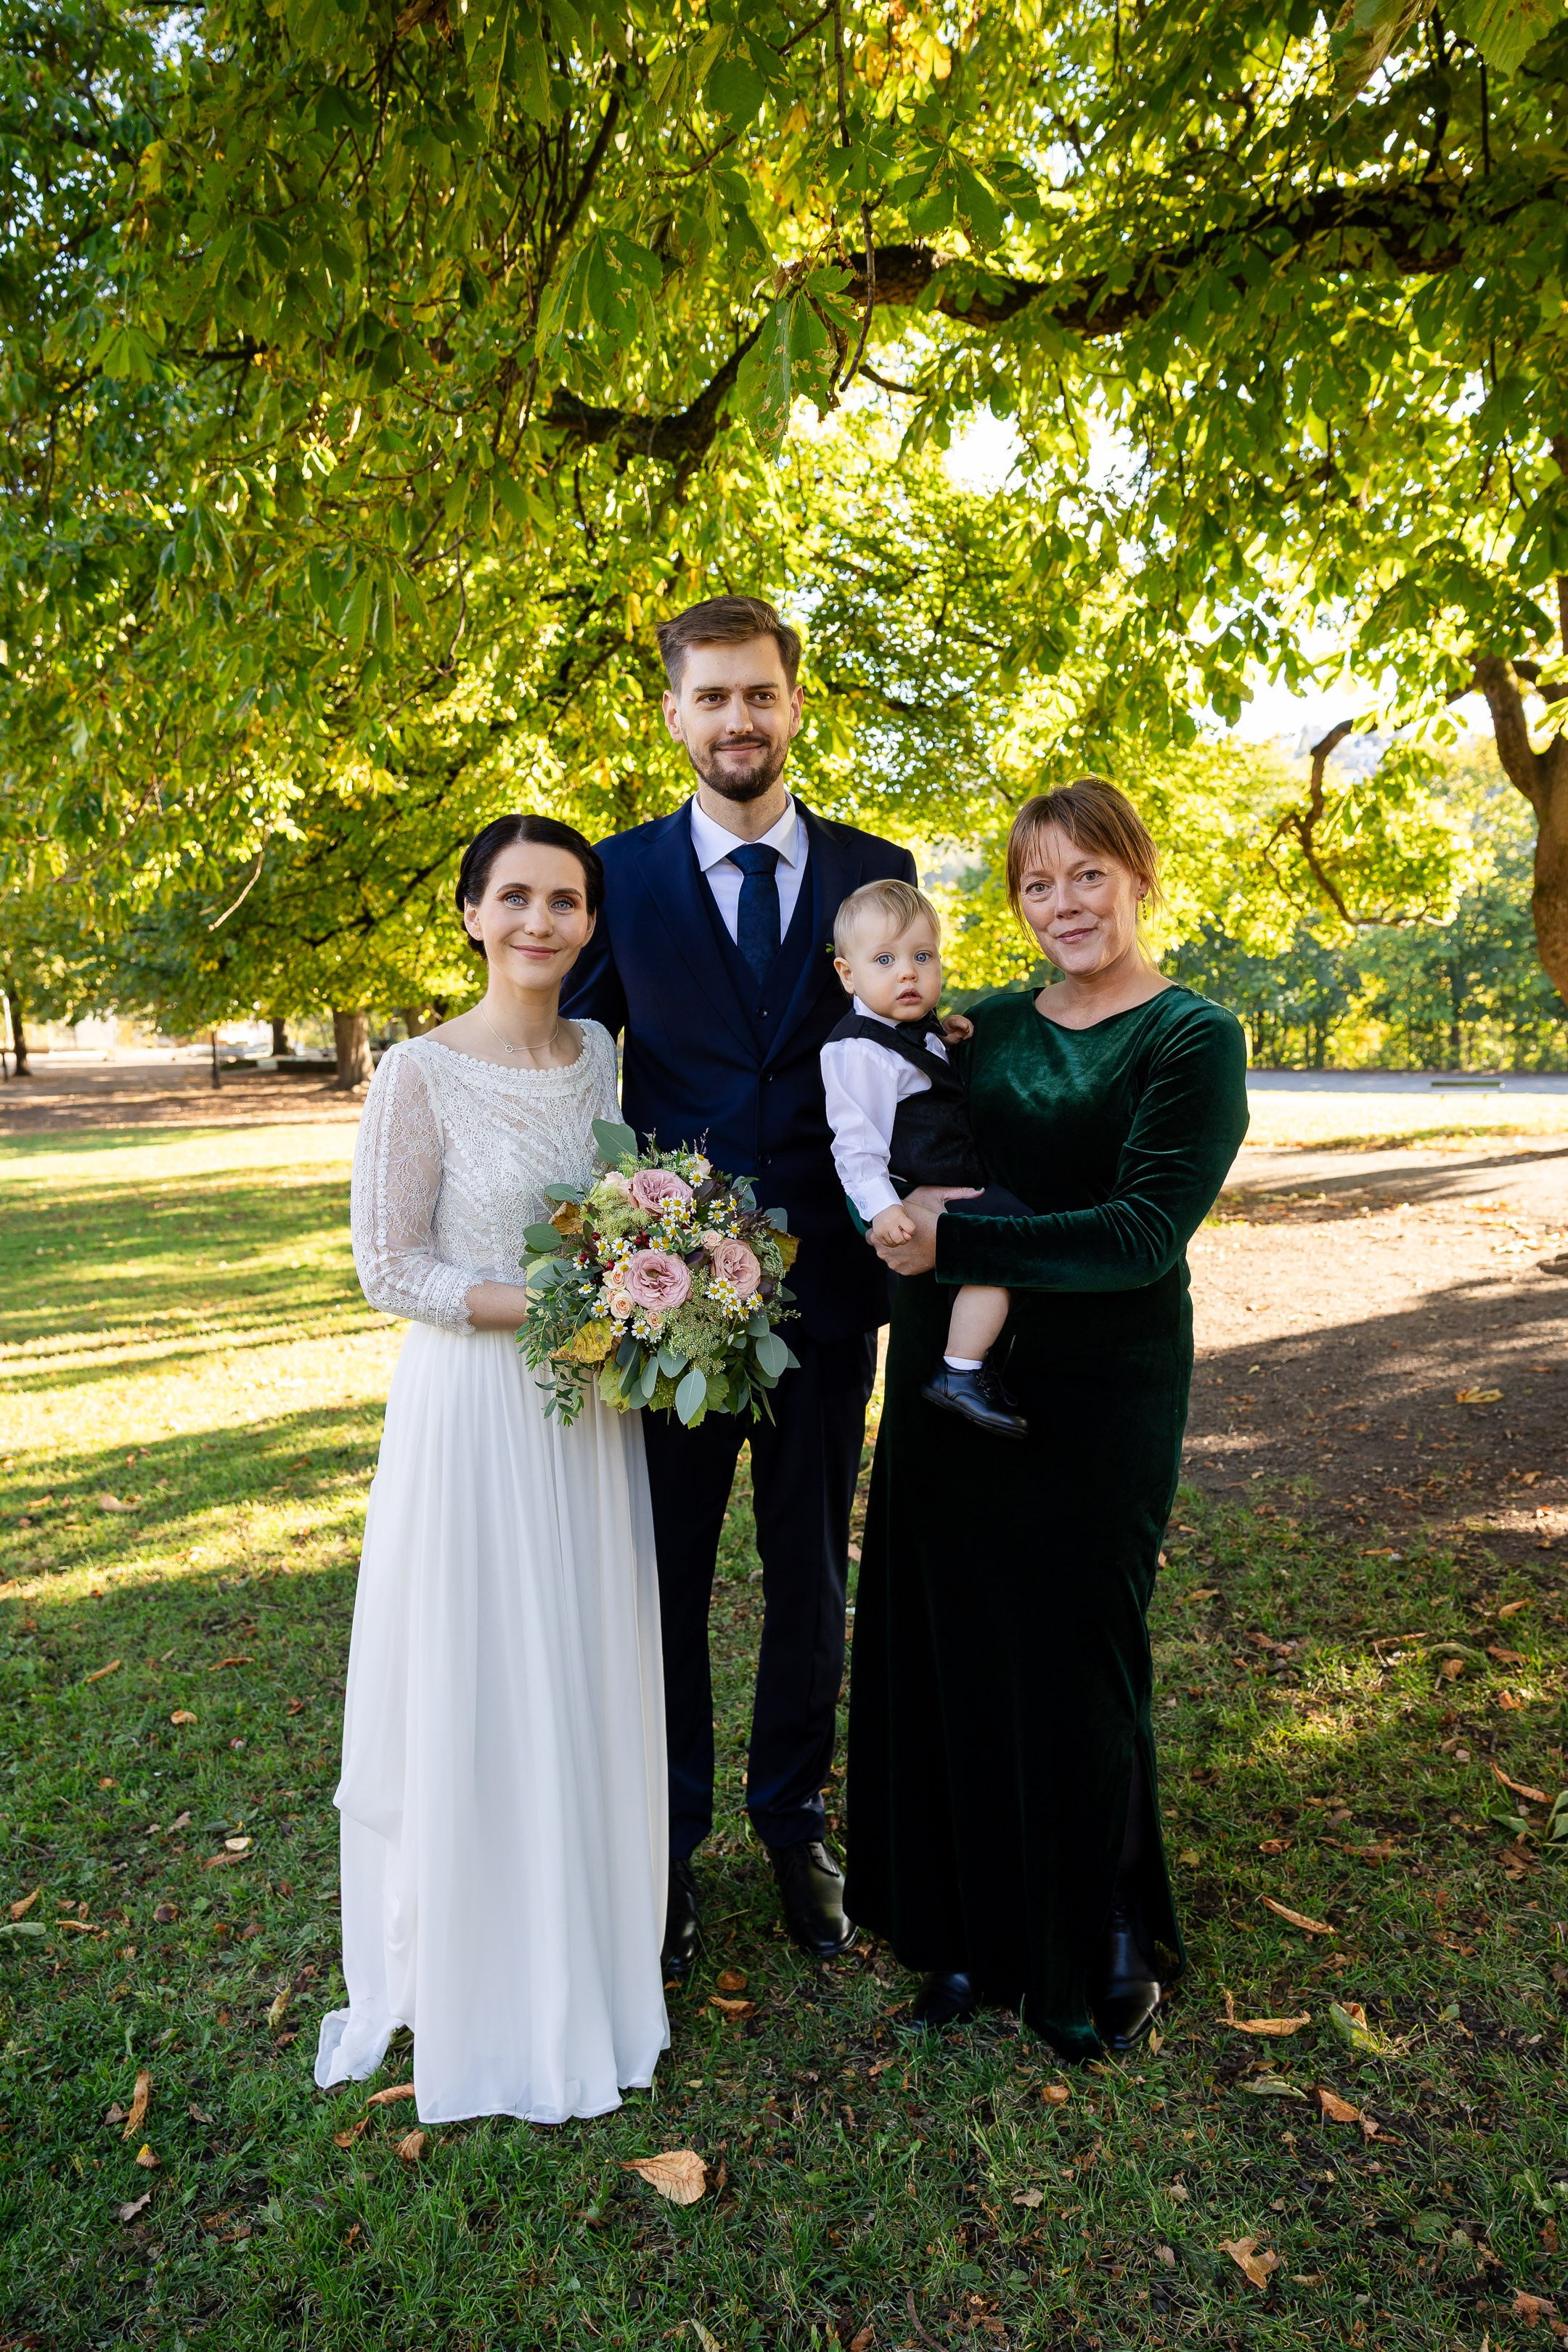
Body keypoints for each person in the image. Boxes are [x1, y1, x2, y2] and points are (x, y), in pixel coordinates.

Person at [845, 777, 1249, 2056]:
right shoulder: (982, 1027)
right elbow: (875, 1107)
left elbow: (1142, 1233)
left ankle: (1107, 1930)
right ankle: (964, 1935)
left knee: (1081, 1653)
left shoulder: (1193, 1037)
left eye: (1087, 874)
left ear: (1138, 875)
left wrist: (955, 1230)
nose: (1064, 903)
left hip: (1101, 1383)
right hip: (946, 1372)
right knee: (955, 1640)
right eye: (1036, 883)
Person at [562, 593, 915, 1973]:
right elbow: (570, 1058)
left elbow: (913, 1042)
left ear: (794, 702)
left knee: (809, 1573)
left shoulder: (875, 870)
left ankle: (795, 1822)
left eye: (759, 693)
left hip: (831, 1297)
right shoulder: (622, 874)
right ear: (674, 714)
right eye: (711, 697)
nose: (737, 720)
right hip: (674, 1308)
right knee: (667, 1577)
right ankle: (664, 1837)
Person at [315, 814, 668, 2125]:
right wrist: (568, 1306)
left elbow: (628, 1211)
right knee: (483, 1671)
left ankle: (588, 1956)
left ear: (590, 922)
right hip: (476, 1412)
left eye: (565, 900)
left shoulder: (601, 1057)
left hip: (589, 1424)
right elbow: (387, 1266)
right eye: (513, 897)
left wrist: (642, 1295)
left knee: (577, 1664)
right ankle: (487, 1976)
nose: (540, 921)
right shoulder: (417, 1070)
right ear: (471, 913)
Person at [820, 877, 1035, 1440]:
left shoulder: (915, 1031)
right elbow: (855, 1141)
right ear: (848, 975)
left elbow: (924, 1066)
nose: (908, 972)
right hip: (915, 1196)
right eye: (885, 959)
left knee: (1014, 1241)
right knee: (1006, 1245)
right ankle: (960, 1372)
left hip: (956, 1181)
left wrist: (949, 1032)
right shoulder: (857, 1050)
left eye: (922, 956)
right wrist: (882, 1208)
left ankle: (977, 1361)